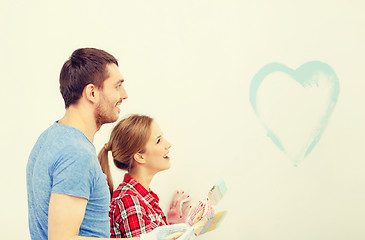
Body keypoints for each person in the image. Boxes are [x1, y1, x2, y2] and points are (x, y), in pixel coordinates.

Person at [26, 48, 197, 240]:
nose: (124, 95)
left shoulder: (50, 138)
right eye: (117, 86)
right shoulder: (76, 154)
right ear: (92, 92)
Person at [98, 115, 192, 238]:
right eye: (158, 140)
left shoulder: (143, 198)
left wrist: (173, 226)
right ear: (140, 156)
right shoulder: (130, 201)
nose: (168, 144)